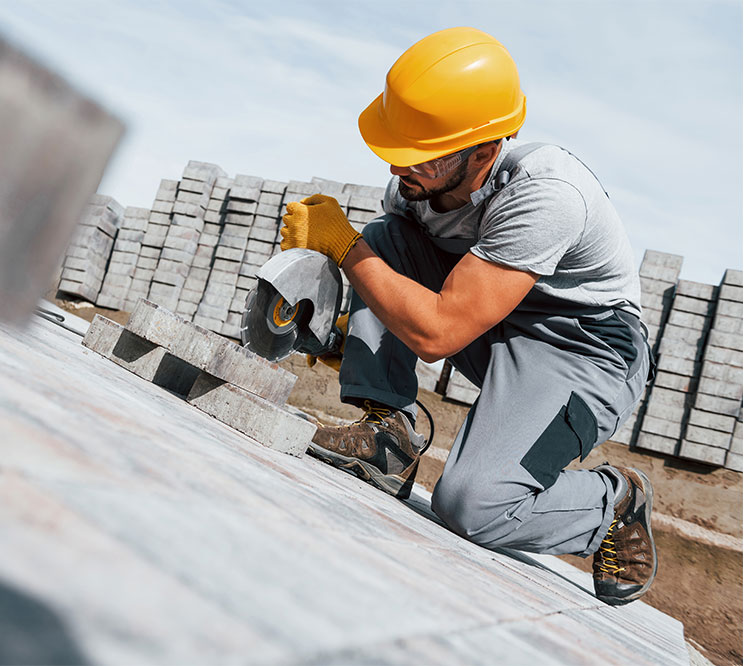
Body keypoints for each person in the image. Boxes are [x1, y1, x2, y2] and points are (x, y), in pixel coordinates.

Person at [280, 26, 657, 607]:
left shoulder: (547, 195)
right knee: (386, 239)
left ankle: (614, 503)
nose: (401, 167)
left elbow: (437, 332)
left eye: (421, 156)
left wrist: (343, 247)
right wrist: (350, 323)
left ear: (483, 150)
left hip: (585, 352)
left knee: (473, 506)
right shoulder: (415, 187)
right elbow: (403, 281)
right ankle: (388, 436)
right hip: (495, 321)